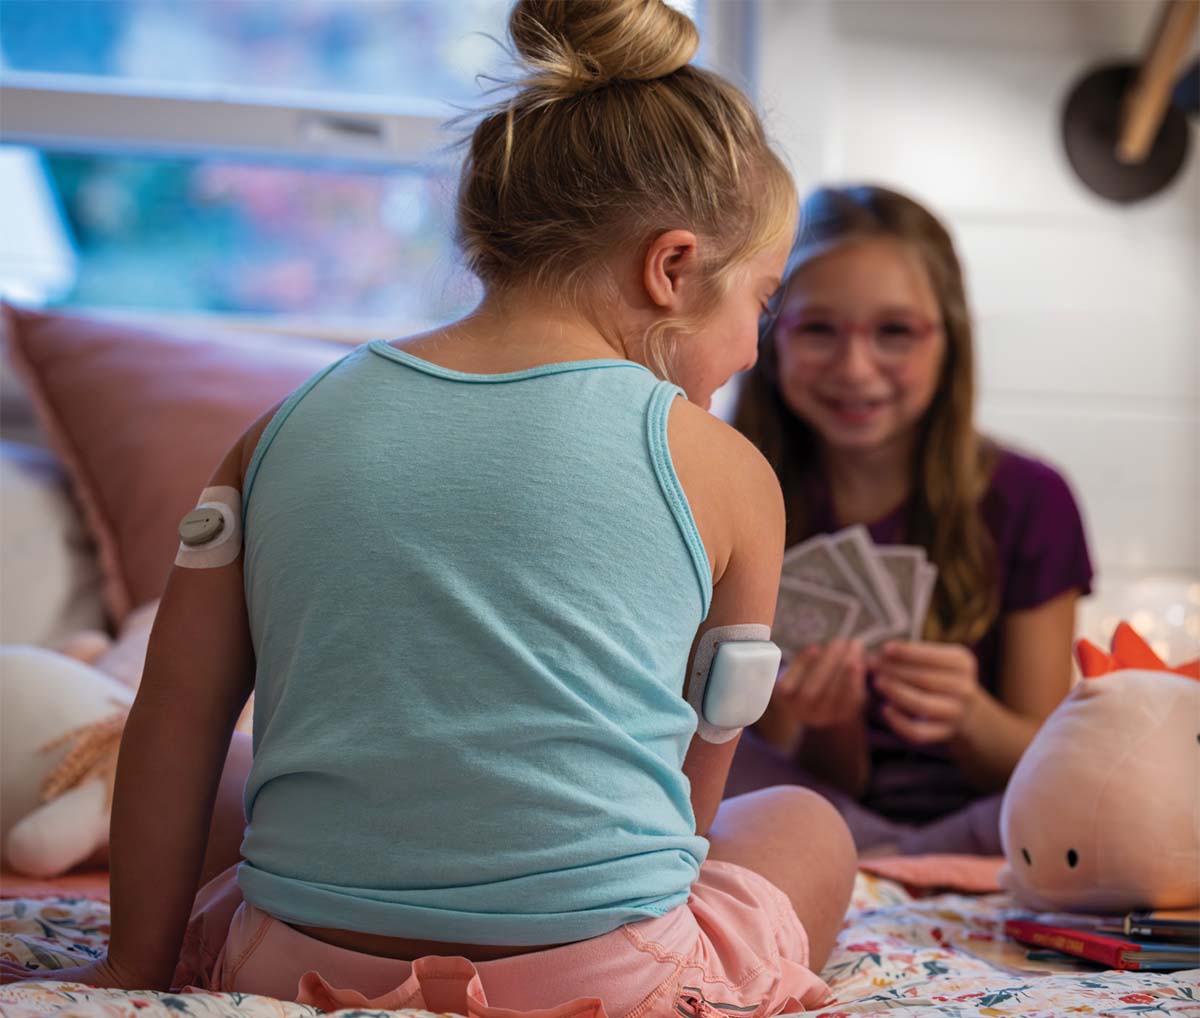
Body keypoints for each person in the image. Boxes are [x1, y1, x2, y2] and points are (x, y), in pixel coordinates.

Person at [0, 2, 856, 1013]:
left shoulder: (280, 429)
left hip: (299, 960)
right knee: (808, 825)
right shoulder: (725, 468)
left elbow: (174, 715)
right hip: (599, 975)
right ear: (670, 269)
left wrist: (134, 965)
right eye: (760, 301)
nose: (755, 347)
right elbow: (691, 786)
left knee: (228, 772)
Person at [726, 185, 1094, 857]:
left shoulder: (1032, 499)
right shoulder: (733, 492)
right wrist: (830, 730)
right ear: (771, 337)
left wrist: (969, 718)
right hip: (816, 828)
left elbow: (1047, 767)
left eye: (894, 331)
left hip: (994, 832)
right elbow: (775, 777)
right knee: (738, 772)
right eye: (818, 330)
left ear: (948, 338)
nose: (855, 369)